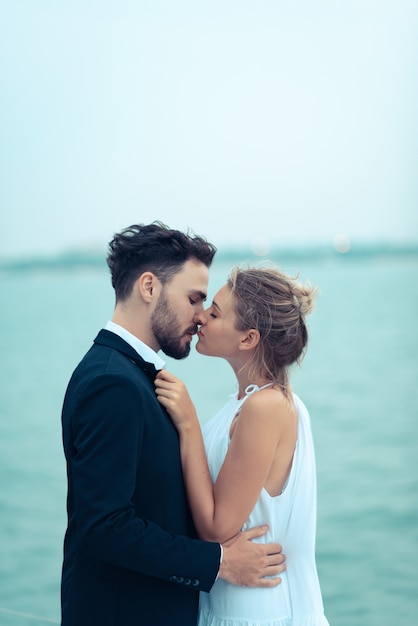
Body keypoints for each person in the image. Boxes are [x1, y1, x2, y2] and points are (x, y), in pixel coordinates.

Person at [60, 223, 286, 626]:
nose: (201, 316)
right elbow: (104, 526)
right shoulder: (112, 383)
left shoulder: (132, 375)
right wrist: (218, 562)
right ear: (149, 287)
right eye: (194, 298)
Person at [155, 265, 330, 625]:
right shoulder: (243, 403)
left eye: (215, 313)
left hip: (260, 612)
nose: (200, 316)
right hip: (232, 606)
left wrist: (188, 425)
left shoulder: (266, 407)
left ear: (248, 339)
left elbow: (218, 527)